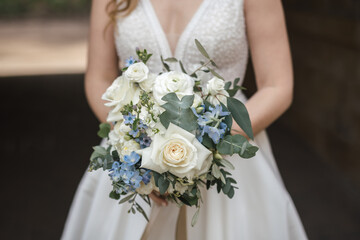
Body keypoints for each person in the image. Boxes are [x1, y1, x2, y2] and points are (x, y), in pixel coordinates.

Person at [62, 0, 308, 239]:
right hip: (138, 157)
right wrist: (134, 147)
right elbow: (99, 79)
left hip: (226, 148)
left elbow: (277, 86)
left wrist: (207, 145)